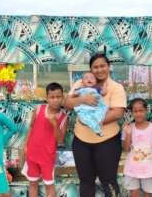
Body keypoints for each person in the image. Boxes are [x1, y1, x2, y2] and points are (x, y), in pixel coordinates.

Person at [65, 53, 126, 197]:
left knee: (109, 180)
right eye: (95, 67)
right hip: (81, 141)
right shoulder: (81, 83)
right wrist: (83, 99)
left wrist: (92, 122)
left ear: (108, 67)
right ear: (91, 69)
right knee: (85, 181)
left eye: (102, 66)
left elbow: (117, 113)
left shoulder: (116, 87)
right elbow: (67, 103)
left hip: (108, 142)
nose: (99, 70)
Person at [22, 82, 68, 197]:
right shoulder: (38, 109)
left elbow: (60, 140)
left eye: (58, 97)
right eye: (52, 97)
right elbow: (31, 127)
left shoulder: (63, 117)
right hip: (32, 154)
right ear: (47, 98)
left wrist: (54, 124)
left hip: (47, 156)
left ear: (62, 97)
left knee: (49, 184)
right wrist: (26, 145)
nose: (55, 100)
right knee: (32, 182)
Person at [122, 98, 152, 197]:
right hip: (132, 169)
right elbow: (126, 149)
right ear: (132, 112)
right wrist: (128, 134)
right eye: (135, 111)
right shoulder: (128, 128)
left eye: (141, 110)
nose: (138, 114)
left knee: (147, 194)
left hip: (149, 170)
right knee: (134, 194)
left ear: (146, 111)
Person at [72, 72, 108, 136]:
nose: (89, 79)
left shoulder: (96, 89)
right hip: (85, 108)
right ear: (82, 82)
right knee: (85, 118)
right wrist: (76, 93)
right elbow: (74, 94)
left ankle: (97, 129)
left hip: (96, 107)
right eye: (86, 78)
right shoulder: (81, 89)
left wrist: (104, 86)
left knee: (99, 116)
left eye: (92, 78)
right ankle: (97, 130)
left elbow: (103, 93)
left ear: (96, 82)